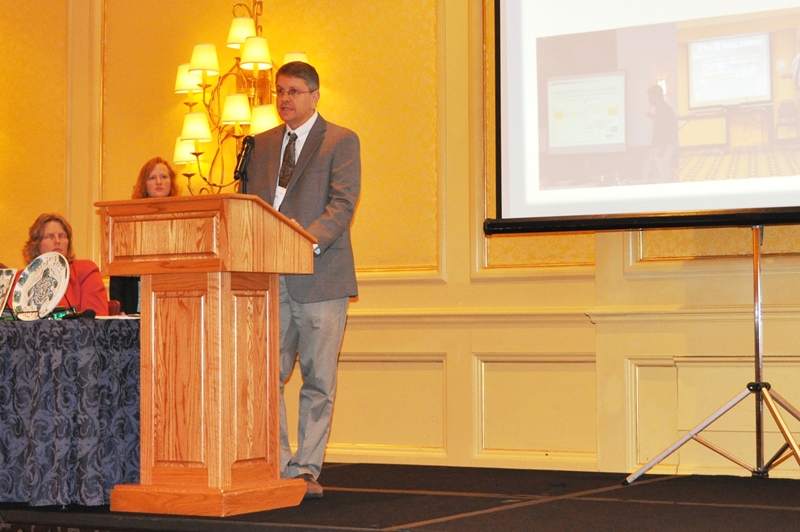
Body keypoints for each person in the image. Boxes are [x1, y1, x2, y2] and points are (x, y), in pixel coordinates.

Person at [245, 61, 361, 499]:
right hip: (270, 278)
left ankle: (305, 470)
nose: (285, 99)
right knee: (265, 375)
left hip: (320, 276)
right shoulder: (261, 144)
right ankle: (275, 465)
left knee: (317, 378)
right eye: (280, 91)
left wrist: (304, 240)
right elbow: (249, 206)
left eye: (294, 91)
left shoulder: (340, 140)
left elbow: (343, 205)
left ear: (314, 95)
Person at [109, 157, 180, 314]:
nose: (159, 182)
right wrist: (119, 306)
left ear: (171, 182)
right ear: (144, 184)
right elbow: (118, 270)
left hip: (173, 302)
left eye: (164, 177)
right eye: (152, 178)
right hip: (135, 303)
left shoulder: (183, 219)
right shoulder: (128, 221)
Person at [17, 213, 108, 316]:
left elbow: (96, 319)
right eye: (49, 237)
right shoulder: (21, 278)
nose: (57, 241)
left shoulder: (85, 270)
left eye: (62, 236)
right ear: (36, 244)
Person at [642, 84, 678, 183]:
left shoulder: (665, 110)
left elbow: (667, 131)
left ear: (657, 96)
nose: (649, 99)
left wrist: (662, 150)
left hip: (663, 147)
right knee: (648, 170)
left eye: (650, 96)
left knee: (663, 175)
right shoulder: (660, 110)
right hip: (658, 146)